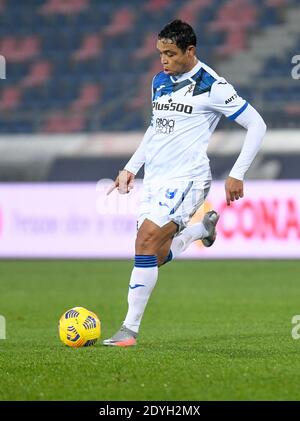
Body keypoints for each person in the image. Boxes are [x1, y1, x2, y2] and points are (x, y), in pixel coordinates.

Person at [103, 20, 266, 347]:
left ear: (190, 51)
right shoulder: (160, 81)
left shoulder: (212, 85)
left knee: (145, 242)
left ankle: (128, 330)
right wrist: (131, 167)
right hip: (155, 179)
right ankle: (200, 231)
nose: (164, 60)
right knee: (156, 255)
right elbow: (155, 128)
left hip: (188, 178)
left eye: (171, 54)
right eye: (160, 53)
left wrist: (238, 172)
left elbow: (257, 124)